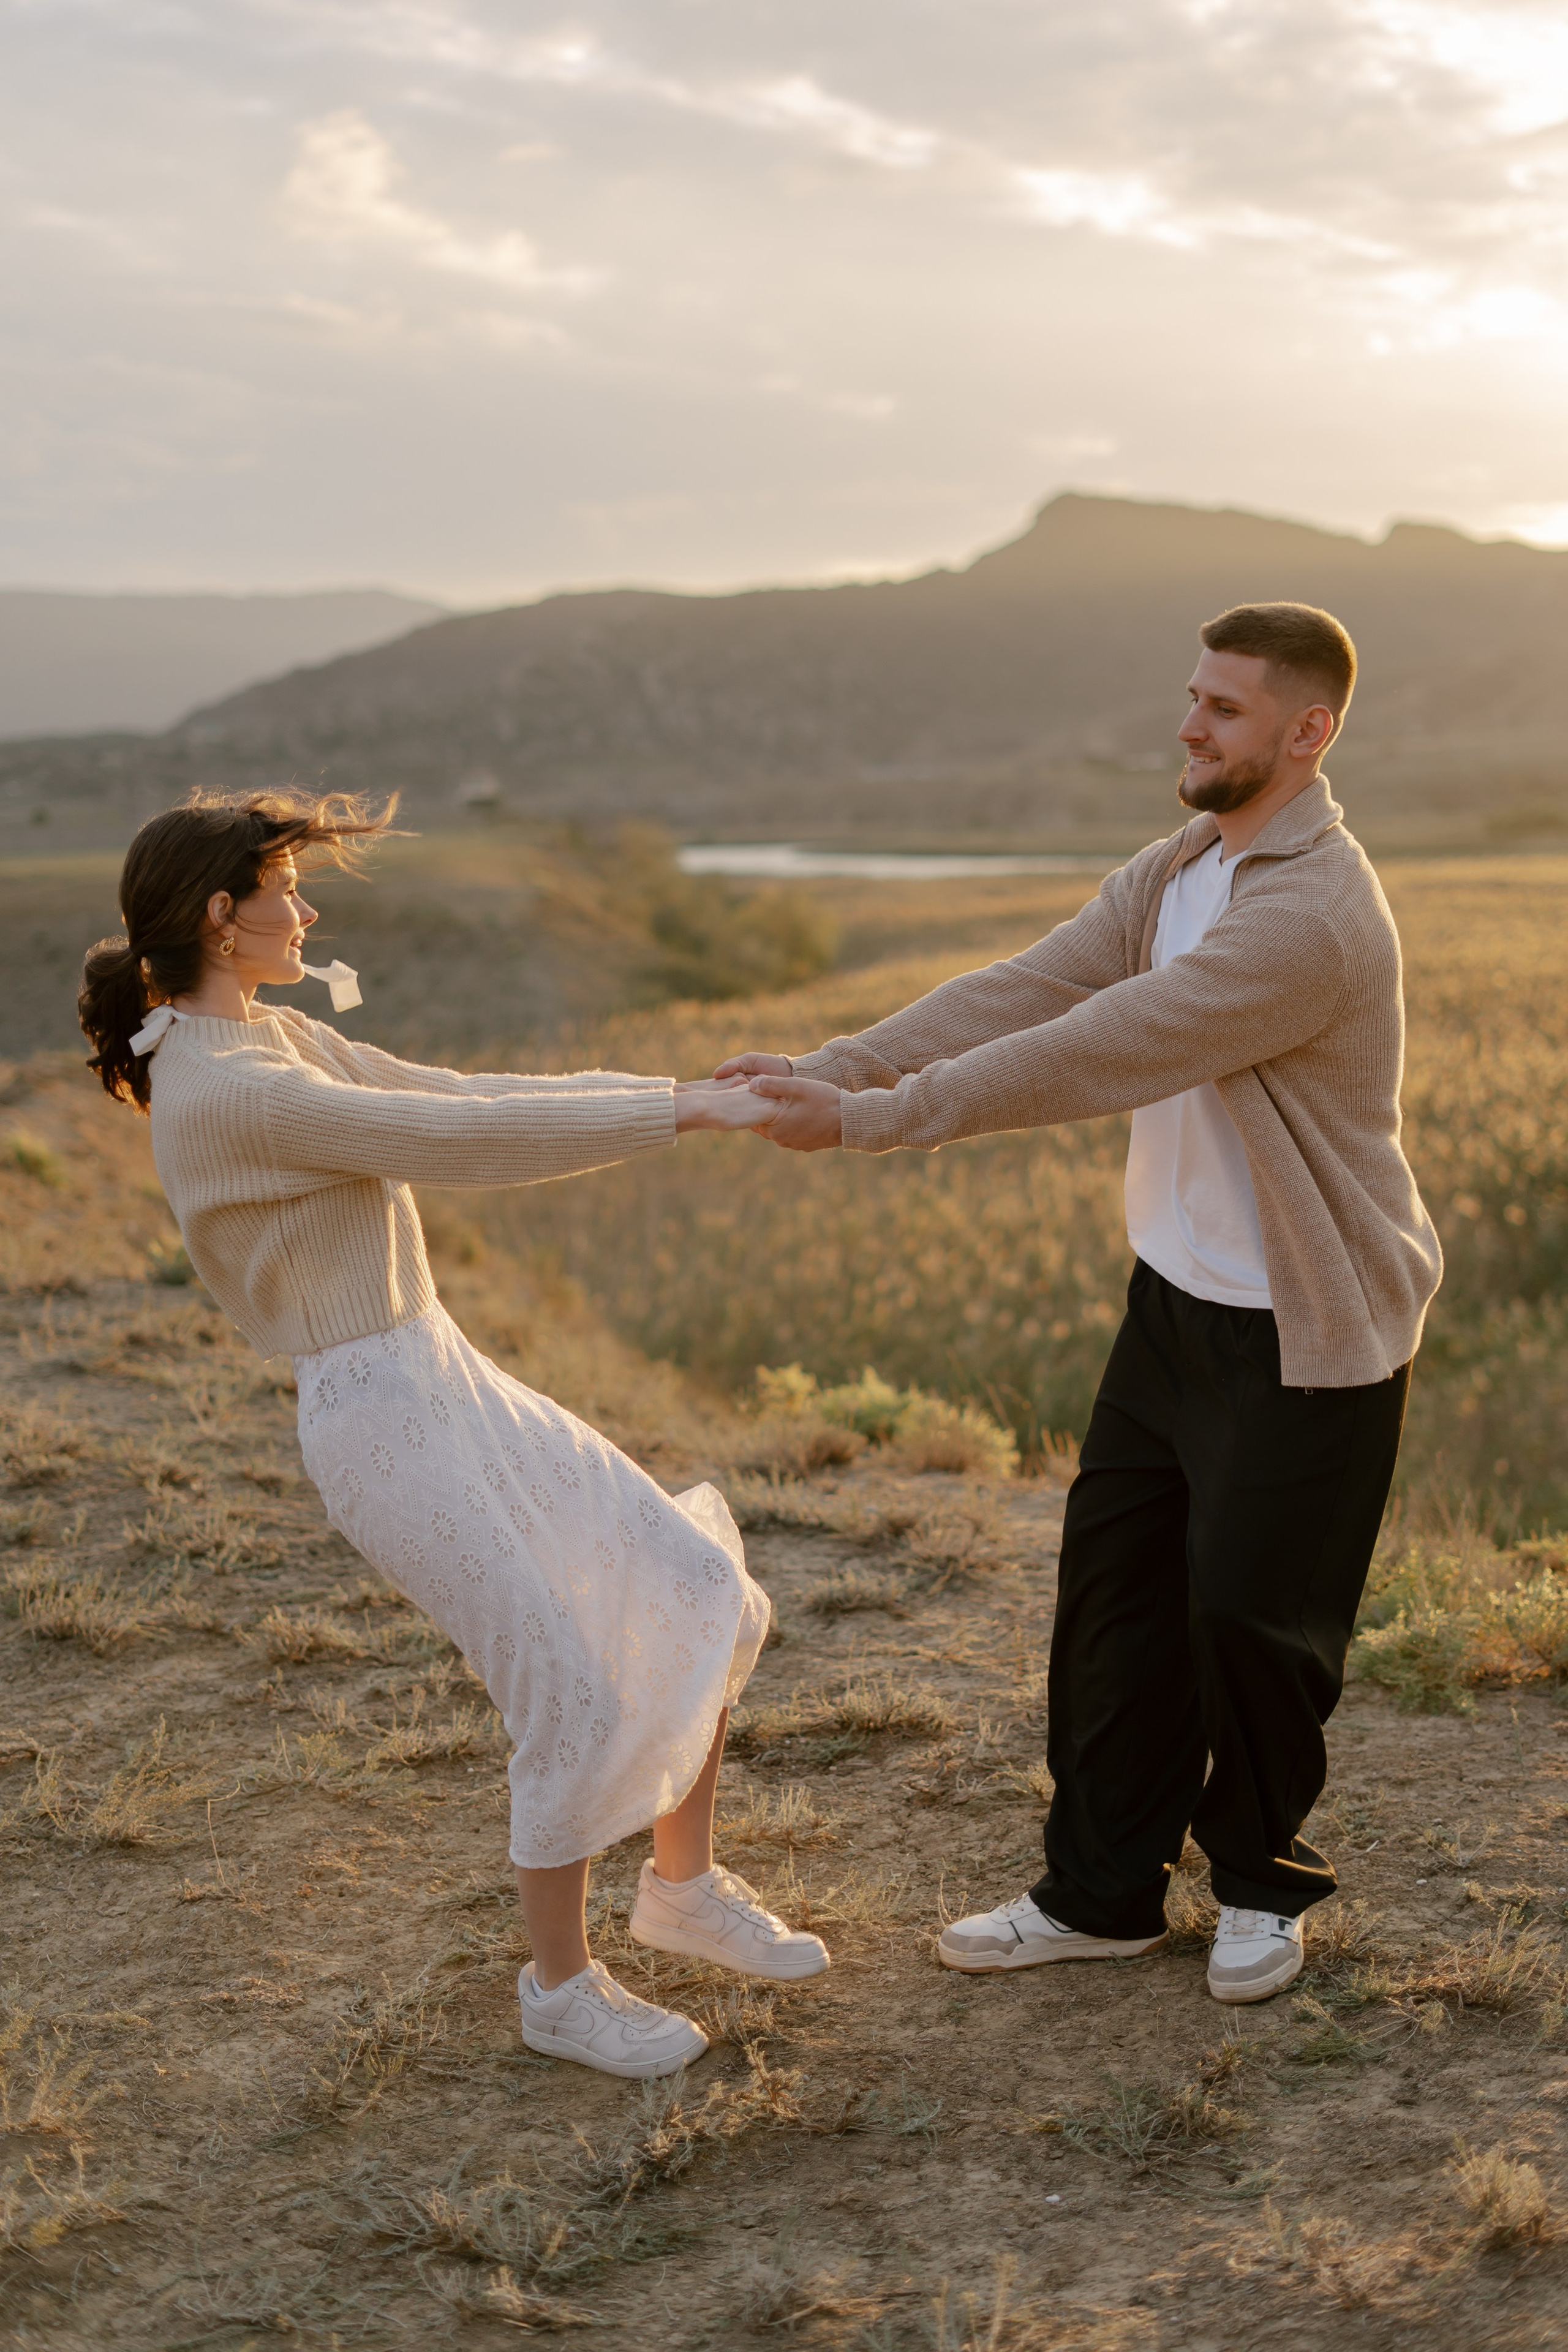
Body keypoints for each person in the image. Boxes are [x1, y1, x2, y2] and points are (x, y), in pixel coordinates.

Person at [716, 601, 1441, 2006]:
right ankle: (1099, 1894)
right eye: (1189, 696)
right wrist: (836, 1062)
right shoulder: (1182, 864)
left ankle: (1252, 1889)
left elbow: (1094, 1046)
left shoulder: (1309, 913)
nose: (1186, 724)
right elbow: (1035, 982)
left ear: (1308, 732)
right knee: (1115, 1610)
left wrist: (867, 1123)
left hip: (1306, 1325)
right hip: (1172, 1304)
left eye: (1223, 709)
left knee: (1254, 1626)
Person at [77, 788, 827, 2081]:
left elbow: (470, 1087)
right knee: (568, 1693)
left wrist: (679, 1088)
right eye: (286, 891)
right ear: (221, 914)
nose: (304, 912)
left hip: (446, 1374)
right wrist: (689, 1113)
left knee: (700, 1586)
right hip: (379, 1419)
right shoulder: (230, 1089)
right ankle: (559, 1989)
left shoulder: (282, 1037)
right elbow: (458, 1138)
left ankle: (681, 1891)